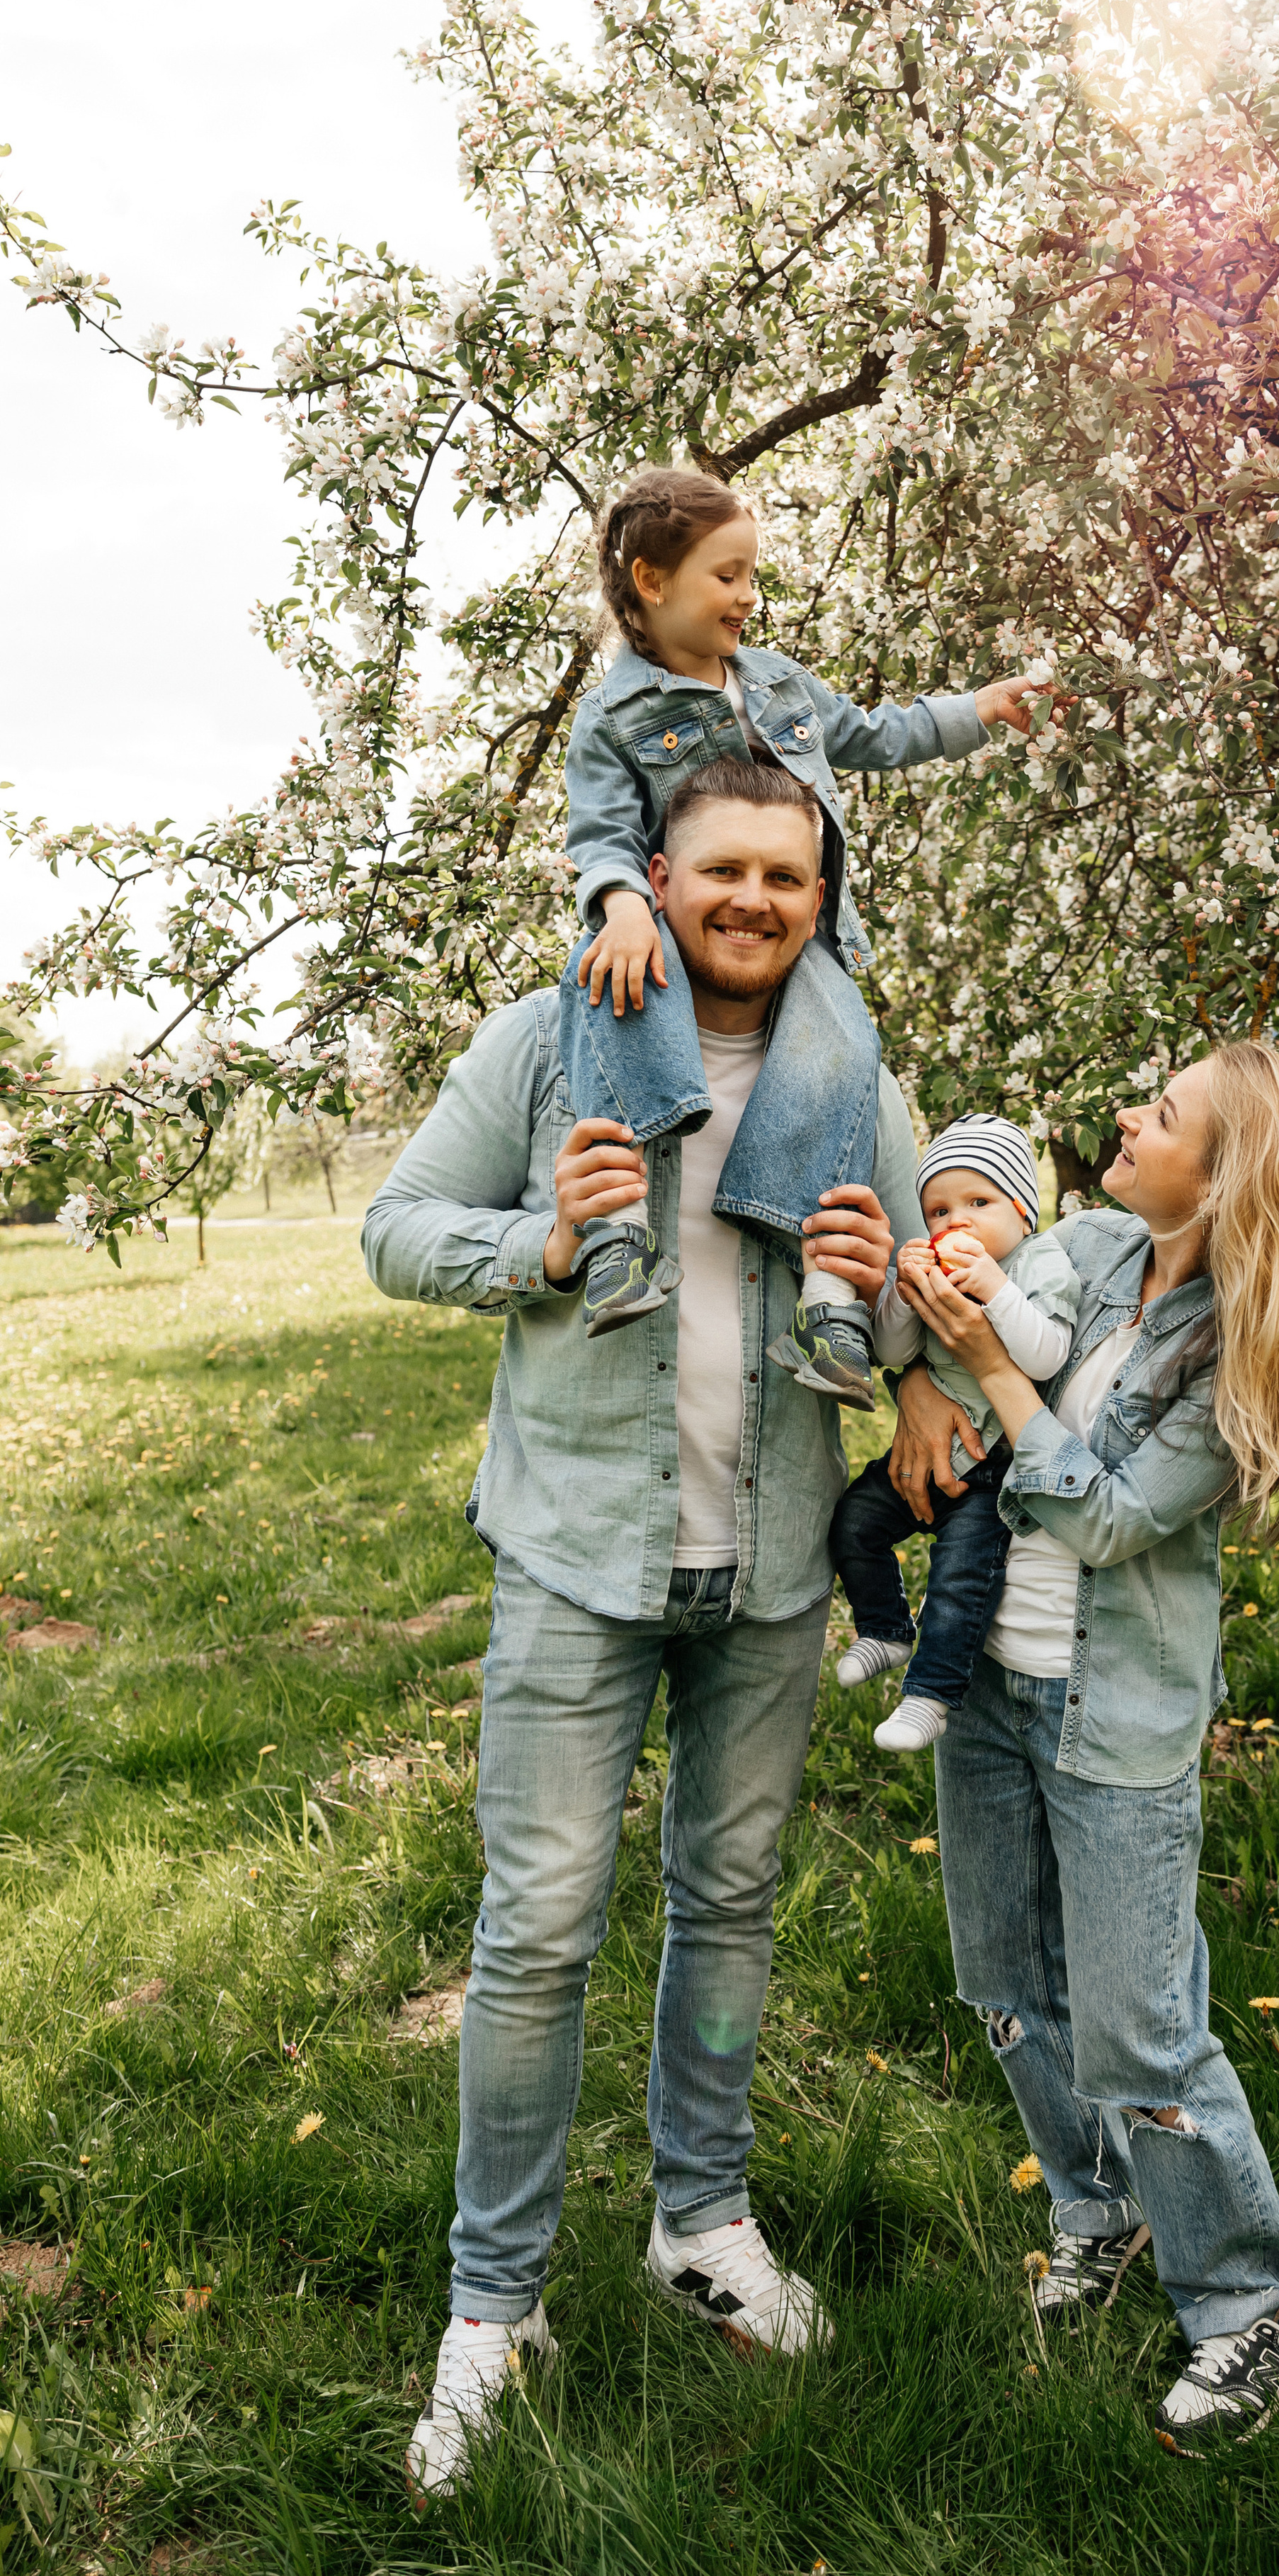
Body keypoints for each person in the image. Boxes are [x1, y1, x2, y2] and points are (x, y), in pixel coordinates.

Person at [362, 756, 923, 2501]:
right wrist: (541, 1245)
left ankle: (702, 2219)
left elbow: (928, 1308)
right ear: (654, 881)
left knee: (732, 1899)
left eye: (789, 874)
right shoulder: (551, 1042)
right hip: (575, 1552)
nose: (755, 899)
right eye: (722, 870)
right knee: (535, 1927)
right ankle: (491, 2303)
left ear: (821, 897)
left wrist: (890, 1282)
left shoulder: (849, 1079)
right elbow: (394, 1226)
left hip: (762, 1564)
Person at [890, 1041, 1279, 2453]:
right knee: (1002, 1984)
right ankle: (1100, 2212)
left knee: (1139, 2031)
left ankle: (1255, 2304)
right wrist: (926, 1367)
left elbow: (1094, 1516)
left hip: (1114, 1722)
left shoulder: (1236, 1352)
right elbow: (961, 1330)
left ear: (1223, 1181)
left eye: (1159, 1118)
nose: (1122, 1120)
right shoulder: (1089, 1245)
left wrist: (984, 1368)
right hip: (985, 1692)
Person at [560, 465, 1056, 1407]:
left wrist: (977, 712)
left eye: (753, 575)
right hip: (667, 934)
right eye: (728, 575)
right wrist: (623, 905)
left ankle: (830, 1307)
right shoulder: (614, 717)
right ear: (651, 580)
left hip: (802, 940)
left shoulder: (779, 684)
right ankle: (617, 1239)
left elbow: (871, 734)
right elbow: (599, 836)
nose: (749, 596)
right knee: (610, 986)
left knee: (843, 1061)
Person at [829, 1113, 1079, 1752]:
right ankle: (884, 1628)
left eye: (978, 1202)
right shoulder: (936, 1268)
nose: (954, 1222)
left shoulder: (1038, 1264)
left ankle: (931, 1696)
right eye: (937, 1211)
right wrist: (906, 1294)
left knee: (960, 1579)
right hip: (926, 1444)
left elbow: (1046, 1355)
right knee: (854, 1522)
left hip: (995, 1466)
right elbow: (889, 1348)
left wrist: (994, 1289)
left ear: (1023, 1210)